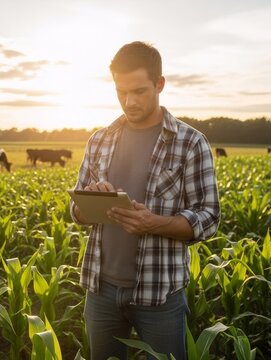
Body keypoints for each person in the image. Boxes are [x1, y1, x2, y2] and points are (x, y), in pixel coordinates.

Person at [70, 41, 220, 360]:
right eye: (121, 92)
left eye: (139, 91)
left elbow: (208, 217)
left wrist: (155, 224)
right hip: (101, 289)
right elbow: (77, 211)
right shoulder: (99, 140)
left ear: (160, 84)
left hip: (160, 294)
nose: (129, 101)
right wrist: (88, 203)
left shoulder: (191, 143)